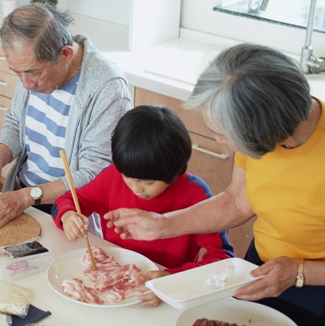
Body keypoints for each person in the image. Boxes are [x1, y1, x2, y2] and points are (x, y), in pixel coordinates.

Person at [104, 43, 325, 325]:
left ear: (262, 131)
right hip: (261, 265)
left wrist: (300, 272)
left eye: (224, 135)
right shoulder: (268, 127)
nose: (221, 142)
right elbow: (237, 200)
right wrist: (163, 224)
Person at [0, 3, 132, 230]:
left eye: (33, 73)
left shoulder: (107, 88)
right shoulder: (29, 65)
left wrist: (28, 197)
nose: (25, 84)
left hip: (71, 215)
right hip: (24, 195)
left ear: (65, 54)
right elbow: (16, 123)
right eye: (17, 73)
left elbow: (95, 173)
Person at [54, 105, 234, 307]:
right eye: (128, 178)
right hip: (110, 286)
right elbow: (71, 200)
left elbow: (223, 260)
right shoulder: (113, 177)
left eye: (148, 183)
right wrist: (68, 215)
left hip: (163, 294)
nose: (136, 189)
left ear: (177, 169)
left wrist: (171, 279)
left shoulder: (195, 194)